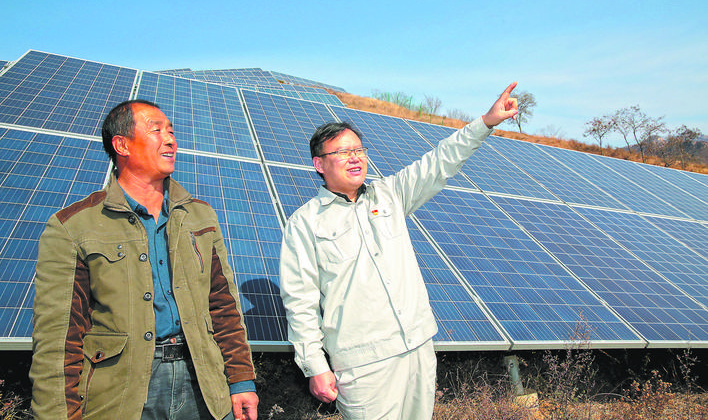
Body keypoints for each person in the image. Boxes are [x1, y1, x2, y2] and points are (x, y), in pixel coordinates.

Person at [279, 83, 519, 419]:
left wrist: (486, 122)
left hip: (418, 347)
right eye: (343, 152)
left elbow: (440, 161)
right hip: (363, 364)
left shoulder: (390, 194)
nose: (354, 157)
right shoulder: (305, 223)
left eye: (359, 150)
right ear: (320, 164)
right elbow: (300, 301)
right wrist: (314, 365)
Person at [30, 100, 259, 420]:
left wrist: (241, 379)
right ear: (122, 145)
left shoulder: (200, 216)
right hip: (122, 393)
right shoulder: (73, 226)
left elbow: (223, 305)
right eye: (156, 130)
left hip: (205, 384)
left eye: (171, 132)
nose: (170, 140)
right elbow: (58, 337)